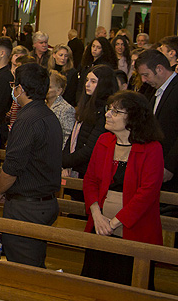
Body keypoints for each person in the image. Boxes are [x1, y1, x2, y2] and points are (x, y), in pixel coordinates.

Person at [80, 91, 164, 286]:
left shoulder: (152, 148)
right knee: (94, 285)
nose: (108, 114)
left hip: (134, 232)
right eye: (110, 109)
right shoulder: (103, 141)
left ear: (133, 118)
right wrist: (97, 216)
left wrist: (114, 223)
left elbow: (147, 193)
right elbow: (90, 180)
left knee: (126, 288)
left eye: (116, 112)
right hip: (99, 227)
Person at [0, 63, 64, 267]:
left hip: (27, 206)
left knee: (23, 266)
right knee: (33, 260)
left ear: (20, 89)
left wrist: (0, 187)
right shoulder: (49, 116)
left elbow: (14, 165)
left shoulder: (26, 120)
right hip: (44, 202)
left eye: (14, 85)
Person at [63, 65, 119, 178]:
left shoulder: (105, 111)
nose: (87, 84)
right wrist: (64, 160)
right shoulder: (86, 105)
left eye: (93, 81)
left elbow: (90, 148)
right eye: (87, 80)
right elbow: (74, 136)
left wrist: (65, 161)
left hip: (89, 170)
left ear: (104, 84)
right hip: (75, 165)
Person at [134, 49, 178, 191]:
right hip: (156, 163)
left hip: (172, 170)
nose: (144, 80)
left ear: (159, 69)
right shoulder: (155, 90)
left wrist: (170, 166)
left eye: (146, 75)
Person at [46, 70, 76, 148]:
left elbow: (67, 137)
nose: (45, 89)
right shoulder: (41, 104)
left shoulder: (67, 109)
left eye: (49, 87)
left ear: (59, 90)